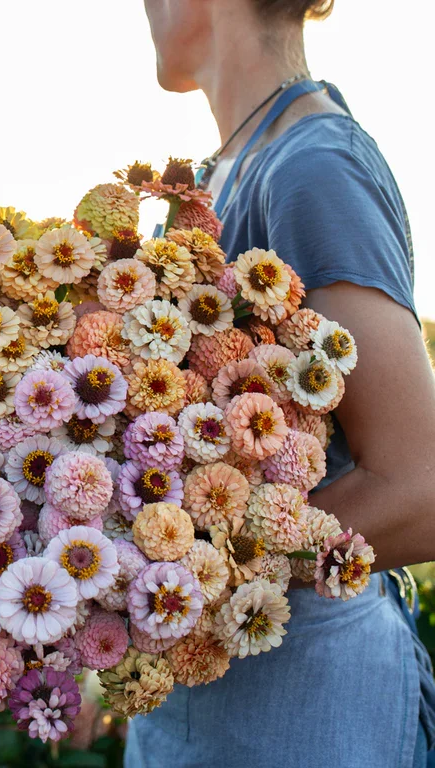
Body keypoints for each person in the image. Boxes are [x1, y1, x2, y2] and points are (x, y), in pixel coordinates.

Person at [126, 1, 435, 766]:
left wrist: (193, 566)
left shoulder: (312, 166)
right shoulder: (221, 172)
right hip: (217, 691)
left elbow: (420, 487)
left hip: (307, 706)